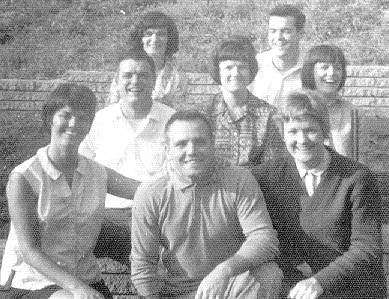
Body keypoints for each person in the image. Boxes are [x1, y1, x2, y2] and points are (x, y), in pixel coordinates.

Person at [0, 83, 139, 299]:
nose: (74, 124)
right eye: (65, 115)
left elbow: (143, 191)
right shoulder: (24, 178)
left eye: (83, 118)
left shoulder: (96, 172)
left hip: (84, 278)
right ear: (50, 119)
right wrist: (78, 289)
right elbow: (30, 251)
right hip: (31, 282)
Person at [131, 110, 282, 299]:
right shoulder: (151, 192)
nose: (192, 151)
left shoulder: (238, 179)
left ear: (212, 144)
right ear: (167, 150)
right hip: (178, 293)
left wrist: (224, 270)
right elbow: (143, 265)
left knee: (268, 275)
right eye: (181, 144)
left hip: (228, 287)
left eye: (200, 141)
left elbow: (264, 238)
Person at [252, 89, 386, 299]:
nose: (301, 139)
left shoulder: (356, 178)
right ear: (282, 133)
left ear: (324, 131)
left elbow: (367, 247)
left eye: (310, 130)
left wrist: (319, 282)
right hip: (295, 288)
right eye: (293, 131)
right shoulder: (266, 176)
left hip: (351, 287)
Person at [79, 48, 175, 265]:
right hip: (106, 216)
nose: (135, 81)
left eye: (143, 75)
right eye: (128, 75)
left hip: (155, 215)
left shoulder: (173, 122)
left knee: (156, 260)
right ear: (116, 81)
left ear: (154, 80)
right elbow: (78, 170)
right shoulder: (98, 121)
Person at [207, 36, 285, 167]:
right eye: (229, 67)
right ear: (218, 71)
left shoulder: (269, 115)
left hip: (255, 185)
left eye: (242, 67)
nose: (236, 73)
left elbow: (273, 168)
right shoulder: (204, 113)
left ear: (250, 71)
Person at [107, 11, 188, 108]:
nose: (154, 39)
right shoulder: (126, 72)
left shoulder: (177, 77)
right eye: (148, 34)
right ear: (140, 39)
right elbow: (112, 108)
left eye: (161, 34)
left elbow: (178, 114)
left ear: (169, 39)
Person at [301, 44, 356, 158]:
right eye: (324, 67)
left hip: (345, 174)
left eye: (337, 68)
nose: (331, 73)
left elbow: (361, 160)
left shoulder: (353, 112)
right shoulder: (297, 108)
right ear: (310, 71)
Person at [248, 4, 305, 108]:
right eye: (273, 31)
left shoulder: (311, 68)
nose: (278, 37)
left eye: (286, 31)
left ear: (300, 33)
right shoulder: (253, 65)